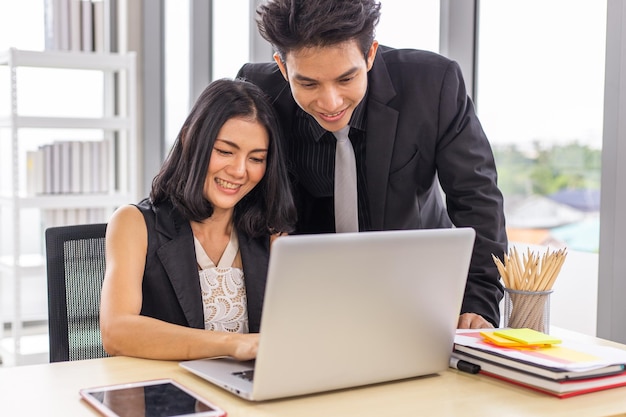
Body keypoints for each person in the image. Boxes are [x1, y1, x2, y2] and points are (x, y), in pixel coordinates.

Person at [238, 0, 508, 329]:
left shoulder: (432, 84)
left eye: (345, 79)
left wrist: (477, 303)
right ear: (282, 67)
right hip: (311, 300)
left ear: (370, 55)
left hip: (416, 293)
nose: (330, 103)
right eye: (308, 84)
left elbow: (477, 200)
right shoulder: (259, 92)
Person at [100, 78, 296, 360]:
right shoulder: (133, 223)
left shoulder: (271, 234)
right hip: (167, 395)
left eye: (256, 158)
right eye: (225, 151)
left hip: (248, 394)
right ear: (190, 140)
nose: (240, 171)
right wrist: (232, 344)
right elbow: (117, 331)